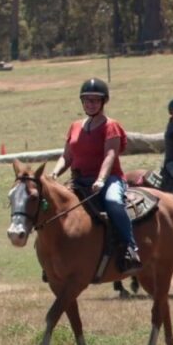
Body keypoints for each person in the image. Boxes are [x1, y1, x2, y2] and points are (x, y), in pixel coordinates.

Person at [50, 77, 141, 273]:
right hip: (78, 180)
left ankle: (130, 248)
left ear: (103, 102)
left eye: (95, 100)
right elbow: (67, 156)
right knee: (53, 205)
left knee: (114, 203)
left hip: (109, 179)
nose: (90, 104)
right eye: (87, 100)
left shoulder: (111, 126)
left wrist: (101, 179)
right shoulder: (75, 126)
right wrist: (54, 174)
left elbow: (110, 154)